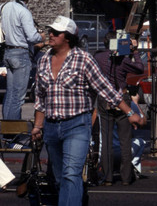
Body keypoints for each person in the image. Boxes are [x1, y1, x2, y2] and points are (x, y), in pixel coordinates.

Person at [31, 15, 143, 206]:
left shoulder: (83, 59)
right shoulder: (43, 60)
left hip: (76, 125)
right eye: (50, 31)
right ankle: (78, 198)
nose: (50, 35)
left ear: (67, 37)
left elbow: (105, 88)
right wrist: (37, 126)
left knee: (70, 174)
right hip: (51, 127)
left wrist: (130, 112)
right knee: (59, 179)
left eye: (56, 33)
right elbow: (40, 98)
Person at [94, 34, 144, 185]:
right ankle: (126, 177)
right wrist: (134, 51)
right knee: (125, 140)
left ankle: (108, 177)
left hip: (104, 98)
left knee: (107, 138)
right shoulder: (124, 60)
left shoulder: (98, 57)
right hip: (122, 97)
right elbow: (140, 68)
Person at [2, 0, 45, 119]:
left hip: (7, 52)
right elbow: (32, 37)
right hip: (21, 53)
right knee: (18, 97)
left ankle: (6, 129)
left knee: (10, 94)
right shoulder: (24, 12)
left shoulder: (4, 7)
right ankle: (13, 131)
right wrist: (41, 37)